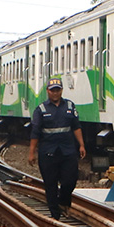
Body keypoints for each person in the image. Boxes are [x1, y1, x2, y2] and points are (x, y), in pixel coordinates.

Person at [28, 77, 86, 219]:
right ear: (48, 91)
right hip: (48, 152)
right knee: (50, 185)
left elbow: (76, 127)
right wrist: (31, 153)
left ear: (61, 91)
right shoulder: (41, 110)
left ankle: (64, 201)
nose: (55, 93)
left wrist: (82, 145)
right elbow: (35, 132)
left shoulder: (70, 106)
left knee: (70, 180)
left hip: (67, 150)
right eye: (52, 90)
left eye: (58, 90)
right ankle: (56, 216)